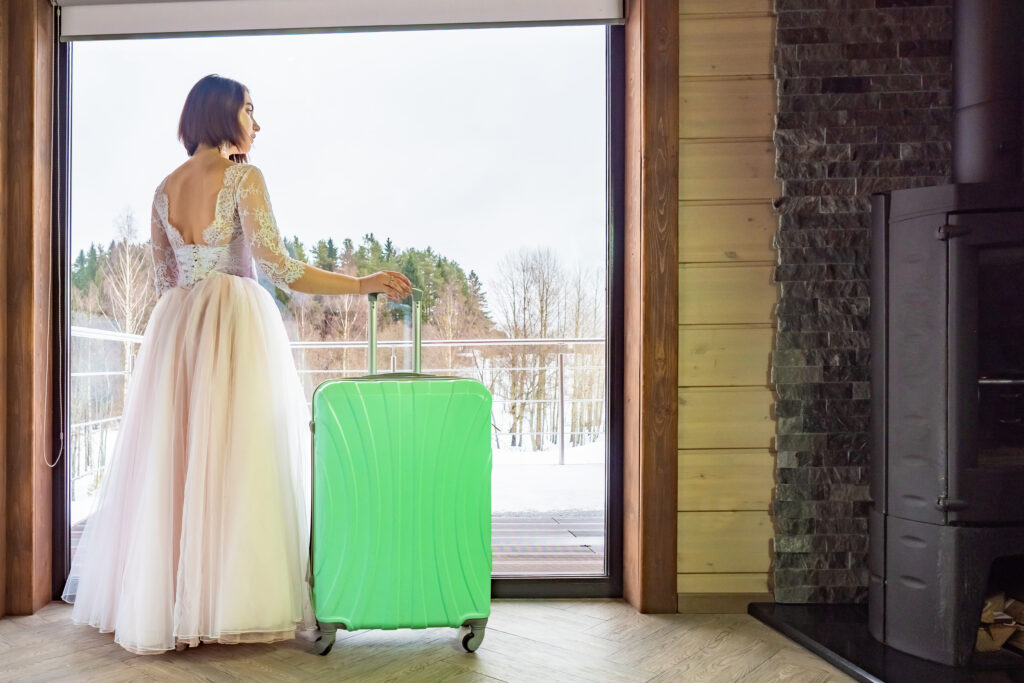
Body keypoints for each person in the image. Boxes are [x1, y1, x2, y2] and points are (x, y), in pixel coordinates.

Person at [61, 74, 412, 655]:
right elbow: (279, 268)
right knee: (242, 460)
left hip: (177, 330)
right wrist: (361, 282)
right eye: (251, 110)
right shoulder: (244, 177)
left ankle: (169, 602)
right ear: (223, 113)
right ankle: (230, 602)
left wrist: (191, 307)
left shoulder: (162, 190)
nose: (257, 122)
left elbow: (163, 280)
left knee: (176, 460)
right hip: (234, 323)